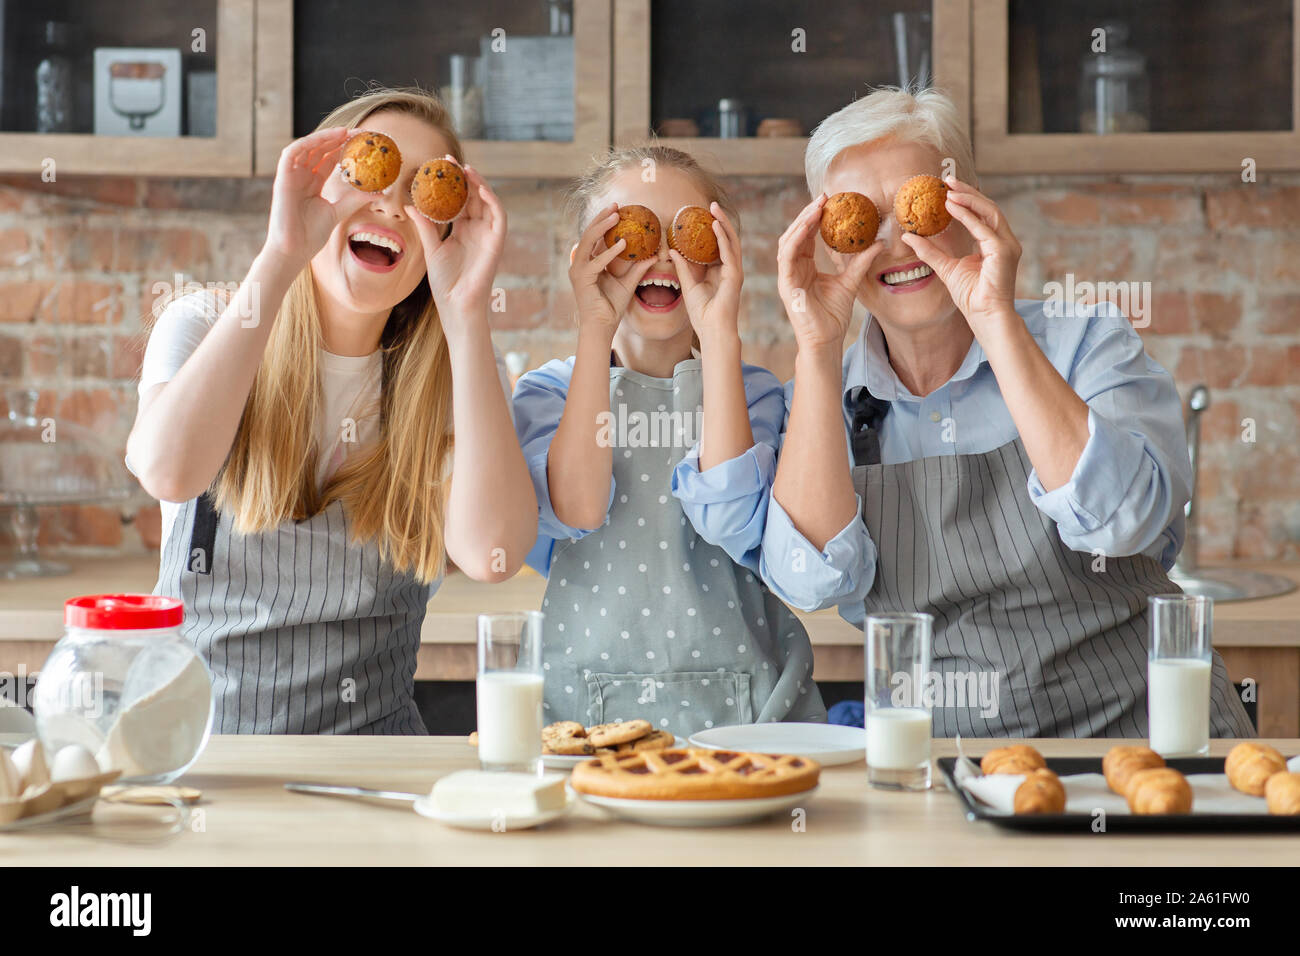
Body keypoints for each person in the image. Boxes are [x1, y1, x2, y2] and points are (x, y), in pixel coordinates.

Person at [760, 87, 1253, 738]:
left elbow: (1125, 522)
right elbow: (807, 581)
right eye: (859, 220)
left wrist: (995, 321)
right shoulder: (828, 398)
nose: (898, 245)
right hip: (942, 766)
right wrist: (818, 348)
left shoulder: (1086, 345)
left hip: (1145, 744)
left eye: (919, 210)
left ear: (968, 207)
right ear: (828, 241)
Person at [126, 88, 537, 734]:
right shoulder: (204, 325)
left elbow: (493, 555)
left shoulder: (447, 385)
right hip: (200, 758)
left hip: (372, 769)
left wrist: (464, 312)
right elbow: (168, 472)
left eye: (422, 196)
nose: (391, 205)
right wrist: (283, 253)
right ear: (322, 185)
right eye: (371, 174)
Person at [513, 146, 827, 735]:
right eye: (631, 237)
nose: (659, 256)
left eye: (683, 235)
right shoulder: (547, 394)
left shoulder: (757, 395)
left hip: (751, 711)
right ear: (585, 258)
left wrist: (719, 334)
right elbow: (576, 506)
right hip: (584, 710)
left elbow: (730, 518)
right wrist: (594, 328)